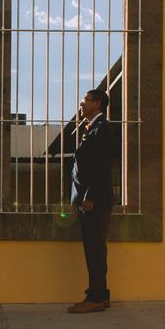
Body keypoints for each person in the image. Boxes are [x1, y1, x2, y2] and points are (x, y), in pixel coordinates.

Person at [68, 89, 114, 314]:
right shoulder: (92, 128)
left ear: (96, 104)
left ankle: (95, 297)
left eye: (85, 100)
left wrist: (89, 197)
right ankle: (101, 294)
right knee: (96, 249)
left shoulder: (102, 129)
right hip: (89, 200)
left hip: (94, 202)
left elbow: (102, 166)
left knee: (94, 250)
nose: (81, 103)